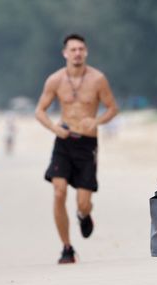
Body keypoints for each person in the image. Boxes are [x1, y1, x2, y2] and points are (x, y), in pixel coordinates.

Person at [35, 34, 119, 264]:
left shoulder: (98, 79)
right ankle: (66, 247)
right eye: (73, 50)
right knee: (58, 191)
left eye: (81, 49)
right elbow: (39, 111)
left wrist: (97, 121)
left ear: (86, 52)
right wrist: (54, 127)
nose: (77, 53)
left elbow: (112, 108)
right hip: (63, 142)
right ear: (65, 53)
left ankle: (84, 214)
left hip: (86, 144)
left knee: (83, 201)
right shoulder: (55, 80)